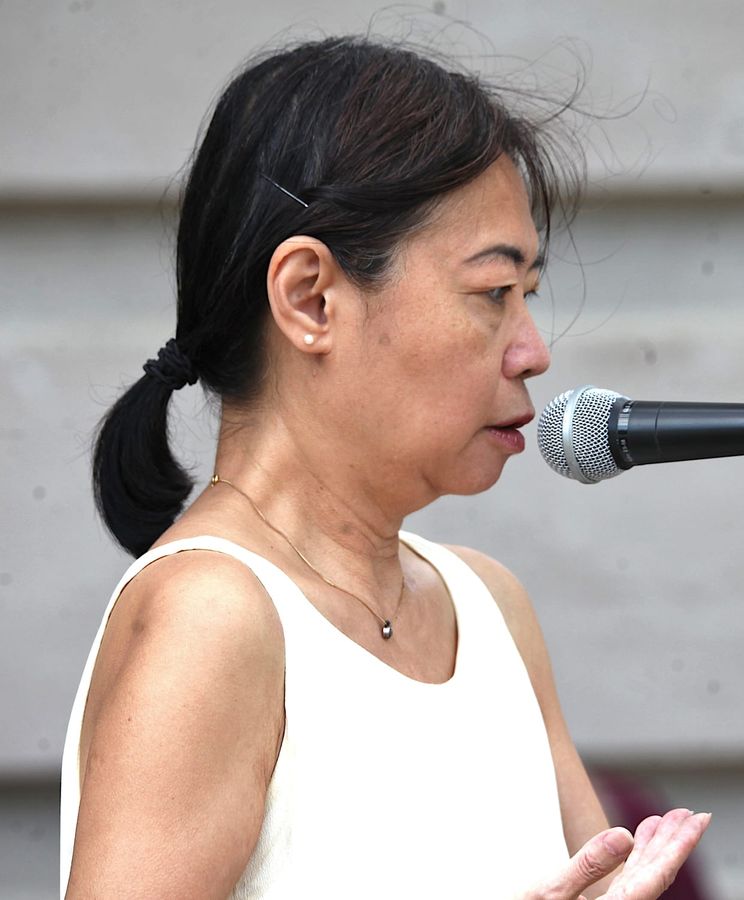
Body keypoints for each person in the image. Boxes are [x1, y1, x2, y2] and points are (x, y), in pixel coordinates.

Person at [61, 36, 709, 898]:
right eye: (492, 293)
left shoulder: (489, 604)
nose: (533, 351)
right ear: (310, 298)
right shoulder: (213, 616)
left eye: (529, 296)